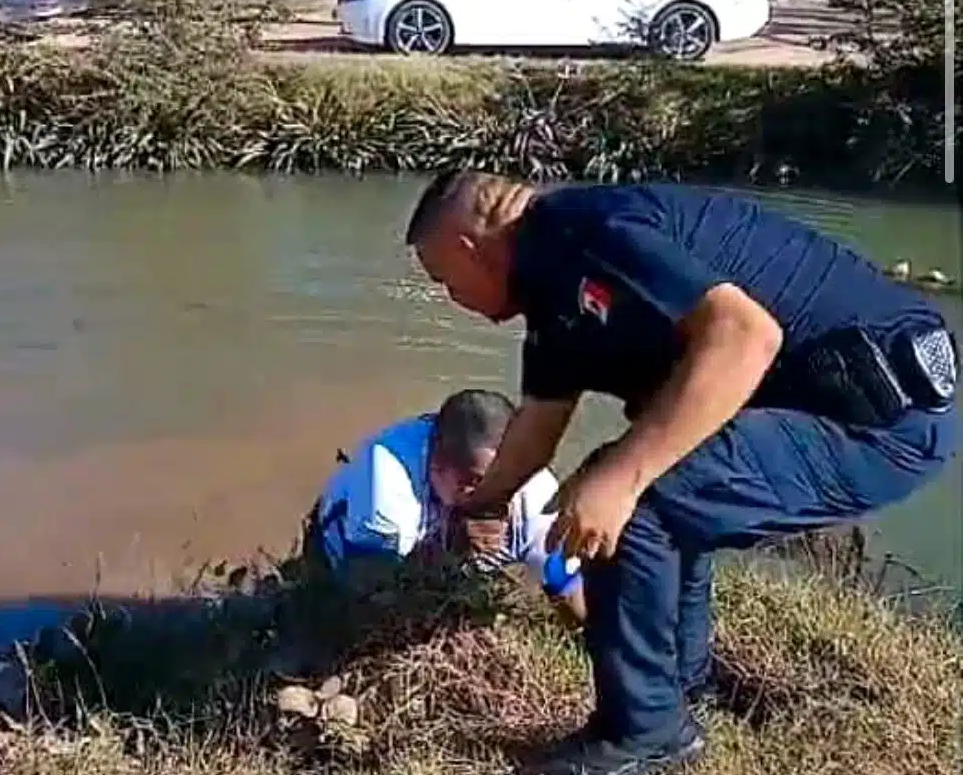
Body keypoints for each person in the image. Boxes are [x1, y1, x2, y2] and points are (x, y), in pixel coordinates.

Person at [403, 172, 958, 775]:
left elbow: (745, 336)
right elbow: (537, 423)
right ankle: (681, 691)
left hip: (882, 414)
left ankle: (644, 733)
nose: (451, 297)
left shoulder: (588, 232)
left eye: (442, 281)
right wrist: (474, 508)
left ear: (467, 249)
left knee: (631, 503)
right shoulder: (551, 283)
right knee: (663, 488)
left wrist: (620, 480)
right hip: (849, 402)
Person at [303, 388, 587, 625]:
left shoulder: (534, 490)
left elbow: (568, 588)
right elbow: (369, 591)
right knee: (324, 610)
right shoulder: (387, 485)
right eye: (476, 482)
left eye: (507, 477)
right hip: (345, 548)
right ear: (436, 466)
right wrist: (449, 545)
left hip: (425, 544)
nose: (500, 493)